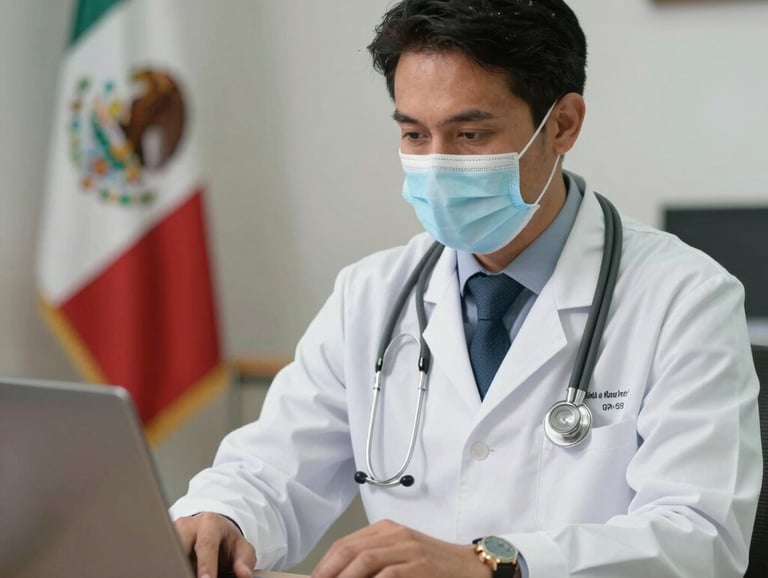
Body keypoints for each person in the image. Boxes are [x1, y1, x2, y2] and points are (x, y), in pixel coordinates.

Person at [171, 1, 761, 577]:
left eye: (470, 134)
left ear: (562, 125)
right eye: (414, 134)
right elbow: (272, 469)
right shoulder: (372, 294)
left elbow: (699, 539)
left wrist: (492, 565)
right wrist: (224, 514)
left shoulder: (684, 297)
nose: (436, 164)